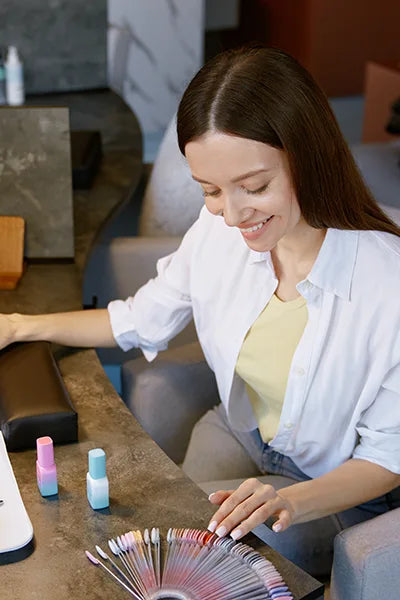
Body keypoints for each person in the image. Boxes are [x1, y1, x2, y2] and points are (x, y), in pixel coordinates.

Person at [1, 44, 400, 575]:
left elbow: (386, 458)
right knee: (156, 534)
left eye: (254, 187)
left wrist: (290, 502)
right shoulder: (219, 232)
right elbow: (139, 318)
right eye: (210, 190)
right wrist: (20, 324)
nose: (232, 215)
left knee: (174, 549)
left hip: (330, 489)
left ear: (309, 156)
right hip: (242, 429)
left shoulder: (386, 286)